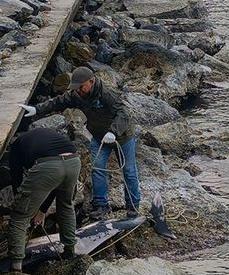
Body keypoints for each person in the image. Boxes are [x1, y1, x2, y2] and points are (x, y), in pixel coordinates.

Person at [20, 66, 141, 220]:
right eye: (76, 88)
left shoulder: (107, 93)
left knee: (129, 171)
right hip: (99, 137)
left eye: (81, 87)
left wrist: (113, 132)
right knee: (97, 168)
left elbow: (124, 112)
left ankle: (133, 207)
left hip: (122, 136)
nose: (78, 91)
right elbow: (59, 101)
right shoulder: (78, 95)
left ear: (91, 81)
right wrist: (37, 109)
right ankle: (101, 206)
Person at [7, 127, 81, 272]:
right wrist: (41, 210)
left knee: (19, 216)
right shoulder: (42, 137)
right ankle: (69, 251)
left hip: (50, 166)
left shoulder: (15, 149)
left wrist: (27, 208)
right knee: (66, 206)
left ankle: (16, 268)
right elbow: (55, 185)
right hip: (73, 162)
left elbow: (17, 182)